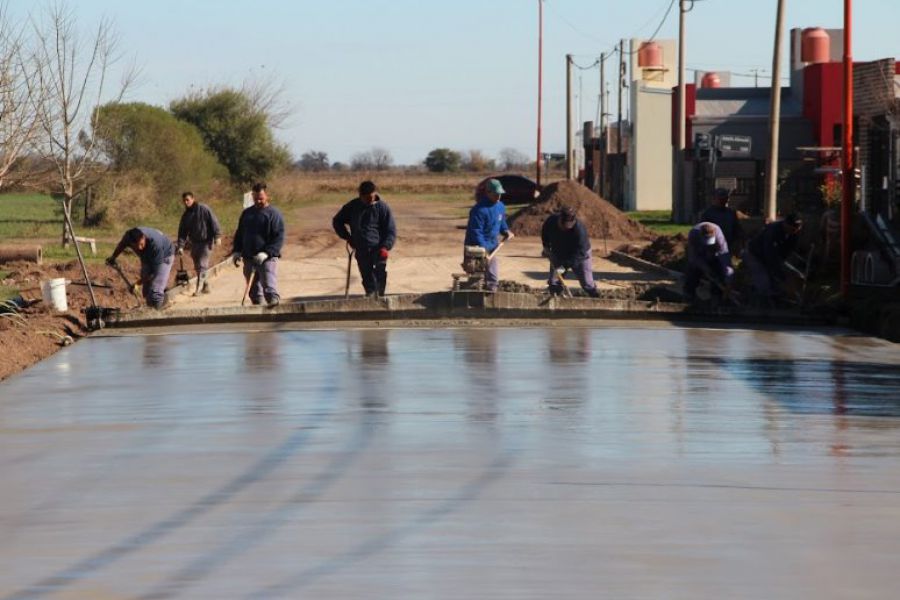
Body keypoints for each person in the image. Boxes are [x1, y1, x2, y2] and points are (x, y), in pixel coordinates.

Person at [332, 180, 397, 298]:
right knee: (366, 275)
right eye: (366, 198)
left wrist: (386, 246)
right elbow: (337, 221)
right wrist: (347, 237)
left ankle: (380, 296)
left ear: (375, 193)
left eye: (371, 197)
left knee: (380, 273)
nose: (369, 200)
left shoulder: (383, 208)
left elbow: (391, 230)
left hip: (379, 248)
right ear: (360, 196)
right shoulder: (352, 206)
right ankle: (370, 295)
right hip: (361, 247)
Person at [231, 182, 285, 307]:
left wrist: (267, 253)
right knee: (254, 290)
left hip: (267, 258)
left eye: (261, 198)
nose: (258, 201)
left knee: (268, 285)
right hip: (249, 257)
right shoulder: (247, 214)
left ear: (267, 196)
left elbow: (279, 237)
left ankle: (274, 305)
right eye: (255, 198)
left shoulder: (273, 214)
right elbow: (240, 233)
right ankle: (258, 312)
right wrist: (236, 251)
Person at [106, 227, 175, 309]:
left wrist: (137, 284)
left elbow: (153, 273)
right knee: (146, 291)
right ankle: (151, 310)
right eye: (135, 246)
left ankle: (159, 315)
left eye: (141, 244)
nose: (139, 248)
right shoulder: (128, 237)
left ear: (143, 237)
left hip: (165, 256)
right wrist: (113, 257)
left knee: (155, 291)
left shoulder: (156, 244)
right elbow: (121, 245)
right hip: (147, 255)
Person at [464, 178, 512, 292]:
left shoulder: (500, 206)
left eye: (500, 194)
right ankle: (473, 297)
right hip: (476, 246)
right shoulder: (479, 210)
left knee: (492, 277)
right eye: (496, 194)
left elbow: (501, 222)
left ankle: (491, 294)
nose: (498, 197)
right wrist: (483, 249)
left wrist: (506, 231)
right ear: (488, 193)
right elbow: (476, 231)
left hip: (492, 245)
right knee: (476, 275)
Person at [744, 213, 803, 304]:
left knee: (784, 280)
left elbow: (787, 253)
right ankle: (759, 305)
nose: (795, 231)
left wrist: (786, 273)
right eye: (792, 228)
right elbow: (770, 256)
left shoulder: (794, 234)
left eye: (797, 228)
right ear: (785, 224)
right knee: (765, 284)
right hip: (755, 256)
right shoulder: (773, 231)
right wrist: (782, 276)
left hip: (773, 257)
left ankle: (779, 300)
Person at [541, 206, 599, 297]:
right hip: (559, 254)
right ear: (559, 219)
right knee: (554, 281)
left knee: (587, 283)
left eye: (568, 227)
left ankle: (595, 297)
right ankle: (555, 299)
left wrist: (565, 265)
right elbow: (544, 233)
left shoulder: (580, 231)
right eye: (563, 226)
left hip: (579, 256)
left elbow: (581, 253)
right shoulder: (551, 221)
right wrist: (546, 246)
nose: (565, 228)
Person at [175, 191, 221, 294]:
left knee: (202, 265)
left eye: (188, 200)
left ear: (193, 199)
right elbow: (182, 231)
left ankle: (198, 289)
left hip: (206, 241)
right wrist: (181, 246)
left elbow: (214, 221)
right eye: (184, 201)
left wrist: (217, 236)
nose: (186, 202)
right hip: (194, 243)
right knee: (197, 266)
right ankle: (206, 285)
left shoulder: (203, 209)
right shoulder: (186, 215)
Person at [684, 222, 734, 303]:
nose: (708, 245)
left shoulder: (719, 236)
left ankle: (716, 298)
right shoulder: (693, 234)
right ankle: (689, 296)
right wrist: (705, 268)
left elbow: (725, 258)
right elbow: (693, 257)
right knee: (692, 270)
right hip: (699, 254)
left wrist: (729, 279)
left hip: (713, 255)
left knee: (717, 271)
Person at [700, 187, 744, 259]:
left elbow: (737, 228)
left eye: (725, 198)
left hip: (728, 245)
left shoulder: (731, 213)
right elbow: (704, 232)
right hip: (713, 246)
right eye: (721, 198)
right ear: (714, 199)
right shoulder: (708, 214)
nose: (723, 201)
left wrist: (738, 241)